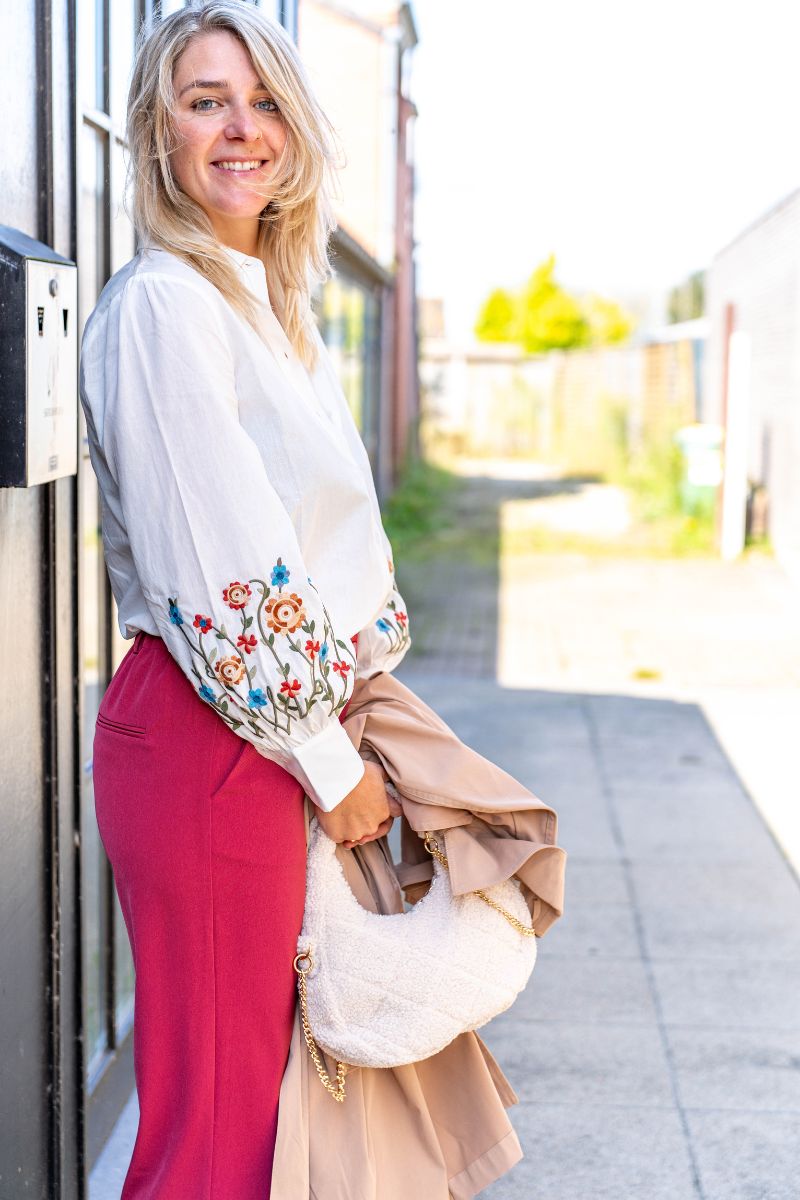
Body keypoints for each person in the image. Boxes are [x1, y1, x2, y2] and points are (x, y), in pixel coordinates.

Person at [78, 3, 410, 1195]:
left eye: (263, 99)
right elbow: (228, 576)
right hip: (217, 736)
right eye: (204, 99)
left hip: (261, 733)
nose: (240, 128)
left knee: (252, 1112)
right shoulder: (166, 304)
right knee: (215, 1134)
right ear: (156, 132)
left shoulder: (266, 304)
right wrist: (332, 767)